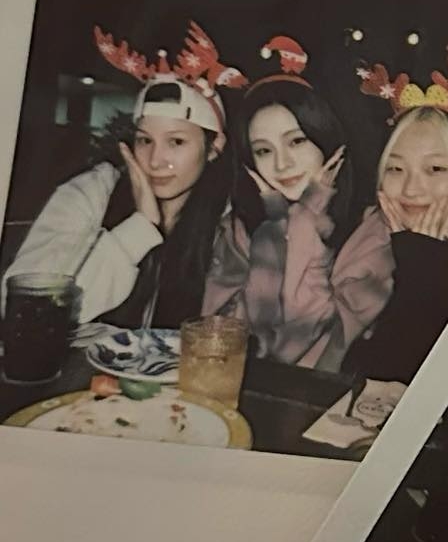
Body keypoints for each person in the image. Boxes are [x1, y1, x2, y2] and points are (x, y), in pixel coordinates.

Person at [6, 24, 239, 327]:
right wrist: (138, 230)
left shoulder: (232, 219)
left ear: (214, 147)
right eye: (145, 140)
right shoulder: (93, 192)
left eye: (176, 142)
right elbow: (27, 309)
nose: (155, 160)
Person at [204, 68, 394, 369]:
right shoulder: (239, 231)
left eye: (296, 141)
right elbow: (222, 340)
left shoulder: (373, 233)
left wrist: (305, 221)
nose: (282, 164)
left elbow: (297, 345)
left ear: (326, 139)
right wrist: (274, 233)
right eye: (264, 151)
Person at [347, 49, 448, 384]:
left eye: (435, 168)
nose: (411, 189)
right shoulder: (362, 244)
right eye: (395, 169)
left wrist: (423, 269)